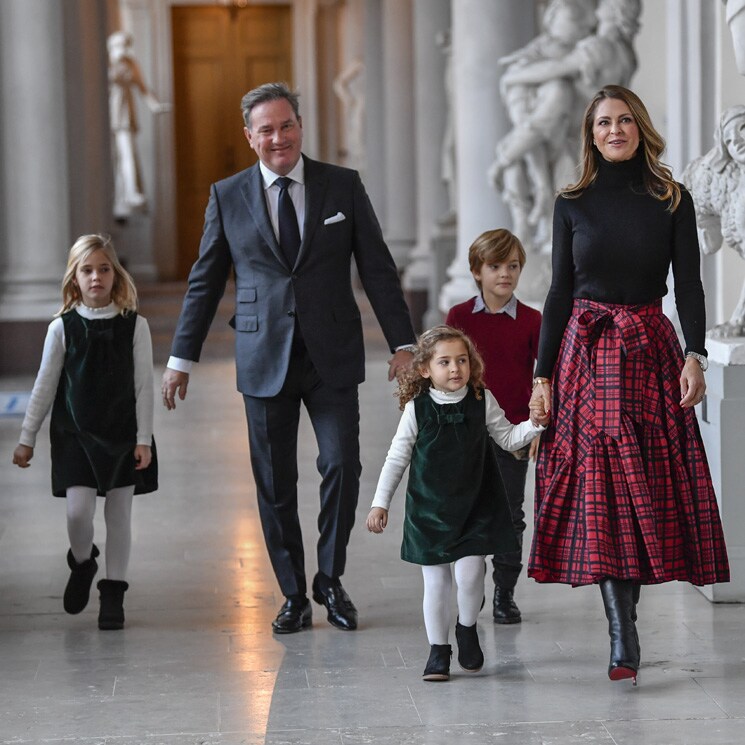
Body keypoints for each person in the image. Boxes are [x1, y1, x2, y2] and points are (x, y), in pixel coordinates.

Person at [161, 82, 416, 635]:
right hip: (262, 354)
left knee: (342, 464)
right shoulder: (228, 195)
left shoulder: (341, 186)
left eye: (287, 125)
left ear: (301, 126)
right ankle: (294, 594)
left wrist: (403, 343)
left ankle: (330, 577)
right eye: (267, 129)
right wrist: (182, 354)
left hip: (332, 353)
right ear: (249, 137)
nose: (279, 138)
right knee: (274, 482)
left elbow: (376, 267)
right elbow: (206, 280)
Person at [527, 85, 730, 686]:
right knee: (602, 489)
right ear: (590, 136)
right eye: (602, 123)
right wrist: (541, 376)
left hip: (649, 349)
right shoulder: (572, 202)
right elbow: (559, 293)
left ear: (639, 126)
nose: (614, 130)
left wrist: (695, 355)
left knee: (644, 485)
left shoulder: (672, 199)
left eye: (623, 120)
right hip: (585, 358)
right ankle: (623, 633)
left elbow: (689, 285)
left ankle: (627, 620)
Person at [367, 326, 546, 682]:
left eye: (461, 361)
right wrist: (379, 503)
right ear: (424, 370)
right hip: (429, 511)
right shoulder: (418, 409)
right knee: (436, 584)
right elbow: (396, 457)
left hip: (475, 506)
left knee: (470, 575)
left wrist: (535, 425)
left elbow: (508, 437)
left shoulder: (482, 400)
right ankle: (438, 650)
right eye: (445, 362)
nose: (455, 369)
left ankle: (466, 628)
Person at [12, 234, 158, 630]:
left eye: (104, 269)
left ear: (116, 274)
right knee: (78, 513)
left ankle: (114, 593)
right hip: (74, 433)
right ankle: (82, 562)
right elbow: (44, 384)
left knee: (119, 515)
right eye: (87, 270)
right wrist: (27, 437)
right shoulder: (62, 327)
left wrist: (143, 438)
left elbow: (144, 385)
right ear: (74, 278)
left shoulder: (135, 326)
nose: (97, 277)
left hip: (122, 433)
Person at [445, 229, 542, 624]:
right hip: (466, 433)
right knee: (468, 512)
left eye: (513, 266)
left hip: (513, 432)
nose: (505, 274)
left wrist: (537, 428)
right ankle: (473, 589)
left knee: (510, 514)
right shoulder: (459, 318)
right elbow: (446, 372)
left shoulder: (533, 320)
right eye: (495, 266)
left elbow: (543, 378)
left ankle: (505, 593)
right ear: (476, 271)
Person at [107, 30, 171, 219]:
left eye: (125, 45)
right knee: (114, 158)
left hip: (123, 111)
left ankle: (131, 192)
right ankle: (120, 196)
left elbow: (143, 87)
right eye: (119, 45)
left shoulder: (129, 64)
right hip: (108, 110)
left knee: (127, 153)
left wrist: (156, 106)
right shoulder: (107, 62)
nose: (123, 49)